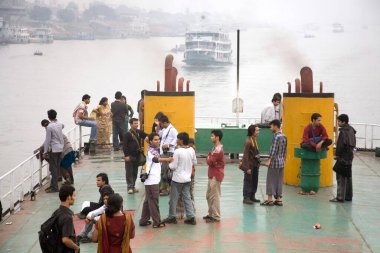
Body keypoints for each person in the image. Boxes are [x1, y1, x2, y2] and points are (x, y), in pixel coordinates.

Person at [163, 132, 197, 225]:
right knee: (187, 197)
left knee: (173, 198)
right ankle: (191, 216)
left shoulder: (177, 151)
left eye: (177, 139)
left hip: (177, 179)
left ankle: (172, 217)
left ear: (181, 141)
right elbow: (195, 162)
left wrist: (168, 164)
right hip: (187, 178)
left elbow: (173, 166)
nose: (176, 140)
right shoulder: (191, 150)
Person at [139, 132, 172, 228]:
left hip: (152, 179)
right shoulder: (151, 151)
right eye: (155, 140)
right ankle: (157, 222)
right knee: (154, 201)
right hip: (152, 180)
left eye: (158, 139)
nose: (158, 141)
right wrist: (168, 159)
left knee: (148, 201)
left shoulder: (154, 149)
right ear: (150, 141)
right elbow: (156, 160)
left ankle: (143, 220)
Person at [330, 114, 356, 203]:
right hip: (350, 155)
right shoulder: (351, 130)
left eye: (339, 121)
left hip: (343, 156)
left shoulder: (343, 132)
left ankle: (340, 197)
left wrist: (337, 155)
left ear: (343, 122)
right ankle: (348, 196)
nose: (337, 123)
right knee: (348, 175)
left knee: (340, 176)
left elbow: (340, 145)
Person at [261, 119, 287, 206]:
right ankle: (278, 199)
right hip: (281, 162)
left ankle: (269, 199)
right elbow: (285, 151)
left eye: (271, 126)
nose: (270, 128)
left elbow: (273, 150)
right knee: (279, 181)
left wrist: (268, 160)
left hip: (274, 162)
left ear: (275, 126)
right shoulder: (284, 136)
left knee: (271, 180)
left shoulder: (276, 137)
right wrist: (283, 160)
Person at [204, 129, 225, 223]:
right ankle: (211, 214)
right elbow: (210, 159)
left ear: (217, 137)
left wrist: (208, 157)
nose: (211, 137)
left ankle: (216, 216)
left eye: (212, 136)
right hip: (212, 174)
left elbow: (209, 161)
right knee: (208, 195)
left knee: (214, 196)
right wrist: (209, 157)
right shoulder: (214, 148)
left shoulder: (217, 149)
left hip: (216, 175)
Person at [123, 118, 148, 194]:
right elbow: (125, 146)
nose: (136, 125)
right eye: (135, 123)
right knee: (129, 172)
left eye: (137, 123)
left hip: (137, 156)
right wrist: (126, 155)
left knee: (135, 172)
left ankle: (133, 186)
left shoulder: (139, 132)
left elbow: (147, 136)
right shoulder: (127, 134)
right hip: (130, 156)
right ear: (130, 124)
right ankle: (129, 187)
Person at [43, 109, 64, 193]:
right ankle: (53, 185)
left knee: (53, 168)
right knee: (57, 167)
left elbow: (47, 140)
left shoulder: (49, 127)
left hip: (54, 149)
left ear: (48, 117)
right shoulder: (59, 124)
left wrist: (45, 151)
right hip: (60, 148)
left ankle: (55, 187)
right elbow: (63, 126)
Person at [54, 185, 80, 253]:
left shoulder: (57, 212)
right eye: (74, 195)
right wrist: (76, 247)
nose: (75, 198)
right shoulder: (67, 217)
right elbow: (65, 239)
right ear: (69, 197)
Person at [158, 115, 178, 196]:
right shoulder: (165, 129)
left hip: (168, 152)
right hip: (164, 152)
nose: (161, 126)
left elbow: (177, 139)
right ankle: (164, 187)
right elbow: (159, 134)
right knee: (163, 170)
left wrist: (169, 145)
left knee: (167, 170)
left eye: (161, 124)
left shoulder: (172, 130)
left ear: (165, 123)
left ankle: (167, 188)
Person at [241, 124, 261, 205]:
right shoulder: (248, 142)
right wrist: (247, 168)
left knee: (254, 181)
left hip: (255, 165)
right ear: (252, 131)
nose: (258, 132)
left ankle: (252, 196)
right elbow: (245, 155)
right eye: (257, 130)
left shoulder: (254, 140)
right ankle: (246, 197)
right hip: (250, 165)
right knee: (248, 181)